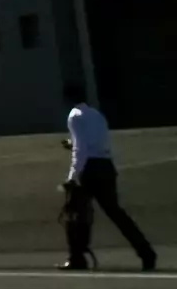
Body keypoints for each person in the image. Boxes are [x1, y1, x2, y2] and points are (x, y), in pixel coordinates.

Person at [60, 98, 157, 271]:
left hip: (89, 169)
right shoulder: (97, 115)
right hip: (106, 166)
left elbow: (81, 149)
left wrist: (72, 176)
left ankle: (77, 257)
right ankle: (145, 251)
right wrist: (72, 144)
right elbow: (97, 142)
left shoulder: (74, 116)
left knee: (75, 213)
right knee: (116, 213)